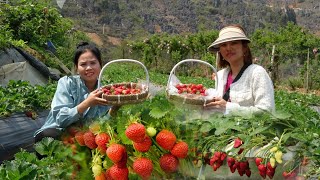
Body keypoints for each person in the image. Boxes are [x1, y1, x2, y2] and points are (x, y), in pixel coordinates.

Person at [34, 42, 117, 142]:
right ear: (77, 68)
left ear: (100, 65)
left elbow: (101, 124)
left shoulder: (105, 91)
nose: (89, 68)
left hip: (85, 137)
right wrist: (87, 103)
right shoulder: (67, 83)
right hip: (60, 131)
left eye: (93, 63)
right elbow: (61, 120)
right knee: (48, 137)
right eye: (83, 64)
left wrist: (115, 108)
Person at [205, 25, 275, 115]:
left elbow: (267, 111)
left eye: (234, 43)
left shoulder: (257, 73)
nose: (228, 48)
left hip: (250, 129)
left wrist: (229, 107)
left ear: (244, 47)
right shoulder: (220, 75)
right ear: (220, 50)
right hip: (223, 128)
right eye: (223, 45)